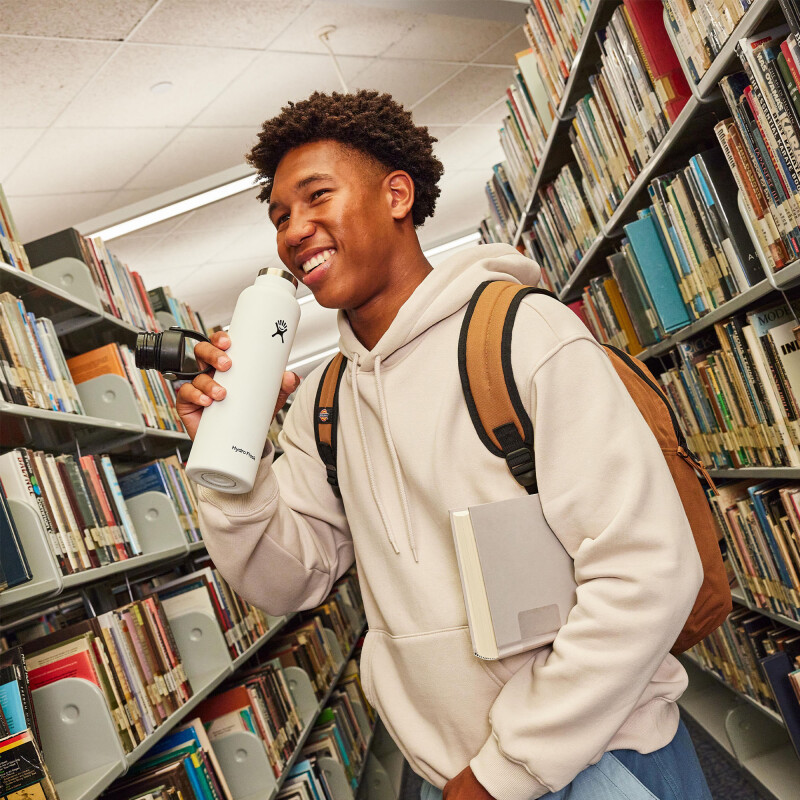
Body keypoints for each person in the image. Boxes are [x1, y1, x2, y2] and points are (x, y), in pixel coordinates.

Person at [177, 90, 712, 800]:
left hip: (600, 762)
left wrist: (505, 771)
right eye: (279, 216)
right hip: (448, 775)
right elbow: (289, 581)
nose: (294, 229)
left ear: (397, 194)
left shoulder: (525, 337)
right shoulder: (323, 403)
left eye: (316, 197)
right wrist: (229, 467)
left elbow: (647, 573)